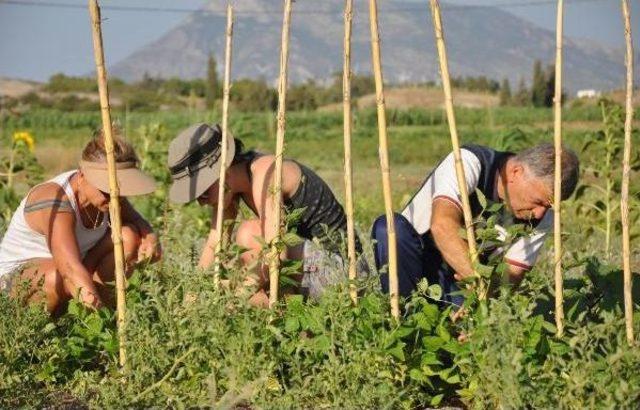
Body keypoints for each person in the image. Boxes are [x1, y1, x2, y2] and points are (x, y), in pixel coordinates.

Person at [167, 123, 356, 306]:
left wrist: (238, 294)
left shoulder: (266, 172)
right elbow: (215, 242)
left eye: (203, 191)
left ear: (222, 170)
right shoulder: (229, 190)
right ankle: (294, 325)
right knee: (231, 275)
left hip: (345, 275)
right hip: (305, 271)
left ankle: (290, 317)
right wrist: (192, 296)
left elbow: (277, 251)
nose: (201, 201)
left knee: (250, 235)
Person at [372, 143, 579, 306]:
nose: (541, 212)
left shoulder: (544, 216)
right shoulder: (470, 163)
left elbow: (510, 279)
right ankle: (404, 320)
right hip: (414, 259)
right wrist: (478, 280)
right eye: (538, 201)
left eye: (549, 205)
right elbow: (442, 226)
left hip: (458, 284)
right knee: (389, 228)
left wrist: (479, 307)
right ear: (516, 172)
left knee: (466, 334)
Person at [0, 131, 160, 314]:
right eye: (106, 190)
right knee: (57, 276)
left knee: (128, 236)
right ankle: (75, 325)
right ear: (82, 175)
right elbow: (68, 267)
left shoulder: (109, 198)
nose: (115, 198)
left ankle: (101, 311)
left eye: (119, 191)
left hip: (75, 271)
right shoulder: (56, 199)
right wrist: (100, 322)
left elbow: (137, 221)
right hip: (17, 281)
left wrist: (150, 237)